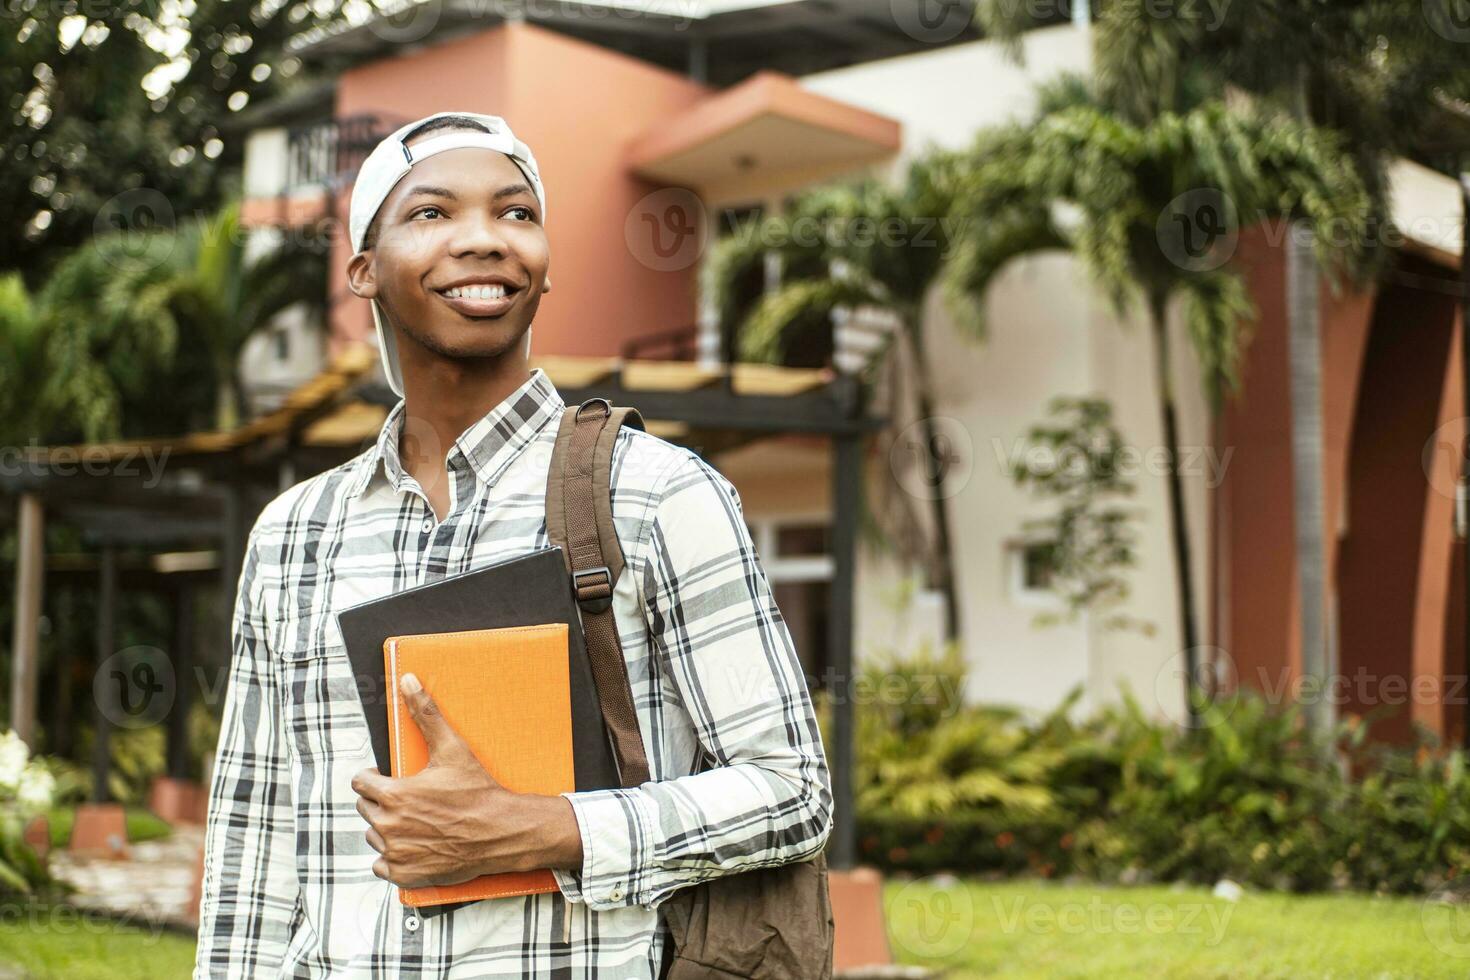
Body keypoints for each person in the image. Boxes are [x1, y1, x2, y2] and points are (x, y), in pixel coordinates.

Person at [193, 110, 832, 978]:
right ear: (364, 271)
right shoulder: (294, 537)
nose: (484, 240)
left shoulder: (655, 493)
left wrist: (545, 828)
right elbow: (253, 847)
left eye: (516, 214)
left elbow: (791, 790)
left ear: (545, 268)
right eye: (432, 214)